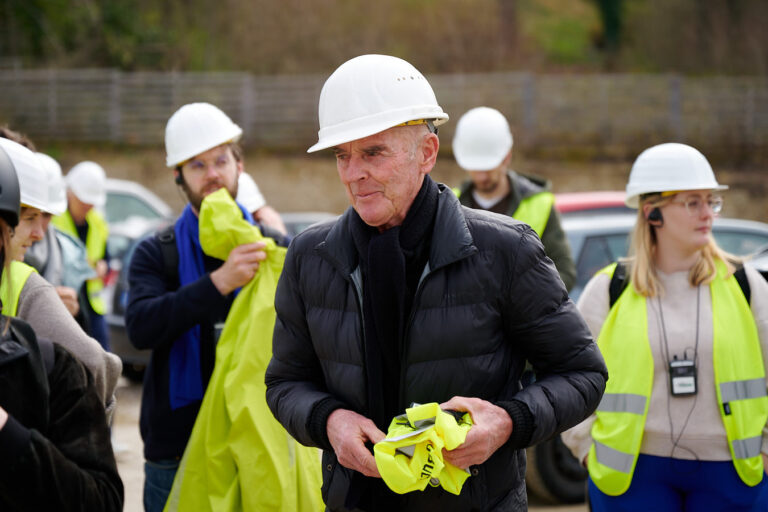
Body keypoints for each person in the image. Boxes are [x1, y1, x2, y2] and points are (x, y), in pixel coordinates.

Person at [264, 54, 607, 511]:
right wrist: (328, 420)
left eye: (373, 153)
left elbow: (582, 374)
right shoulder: (310, 256)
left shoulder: (506, 249)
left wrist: (508, 420)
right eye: (342, 156)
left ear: (426, 153)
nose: (353, 173)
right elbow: (285, 383)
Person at [561, 142, 768, 511]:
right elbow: (566, 376)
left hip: (731, 472)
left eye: (712, 201)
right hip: (634, 474)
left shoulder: (747, 285)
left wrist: (766, 451)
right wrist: (585, 448)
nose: (708, 213)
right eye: (693, 202)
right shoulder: (609, 289)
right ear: (652, 213)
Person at [125, 101, 290, 512]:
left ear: (240, 165)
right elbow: (141, 328)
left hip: (258, 441)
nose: (213, 173)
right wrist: (218, 283)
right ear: (177, 175)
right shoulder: (155, 252)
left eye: (221, 160)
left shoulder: (276, 248)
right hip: (176, 450)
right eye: (197, 165)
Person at [0, 142, 123, 510]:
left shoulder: (28, 284)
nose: (39, 231)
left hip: (88, 312)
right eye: (29, 217)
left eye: (46, 217)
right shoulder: (26, 282)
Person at [452, 106, 576, 290]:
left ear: (506, 157)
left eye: (488, 168)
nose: (481, 177)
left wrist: (525, 302)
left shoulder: (539, 204)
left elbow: (564, 272)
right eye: (475, 168)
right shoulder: (450, 205)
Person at [52, 161, 111, 351]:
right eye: (83, 201)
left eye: (91, 203)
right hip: (62, 305)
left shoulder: (98, 222)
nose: (88, 206)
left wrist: (103, 266)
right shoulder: (53, 220)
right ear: (69, 193)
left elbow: (105, 257)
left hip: (92, 306)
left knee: (101, 357)